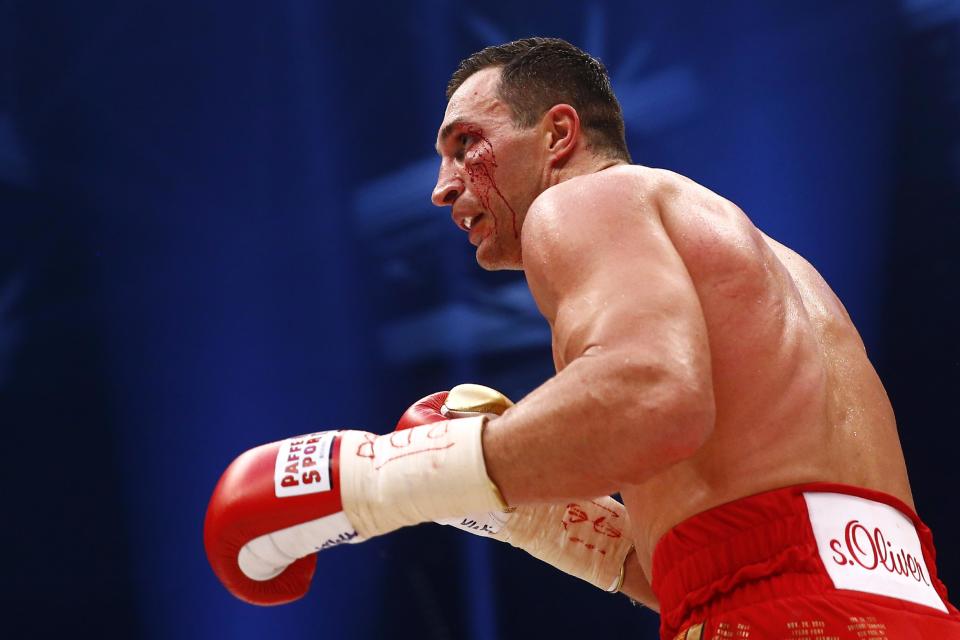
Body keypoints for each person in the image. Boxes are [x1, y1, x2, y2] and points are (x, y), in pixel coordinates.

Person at [204, 38, 960, 639]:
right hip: (904, 607)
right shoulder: (779, 267)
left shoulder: (587, 201)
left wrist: (373, 478)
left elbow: (653, 396)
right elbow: (720, 555)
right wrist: (525, 511)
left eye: (465, 142)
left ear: (559, 133)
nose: (440, 185)